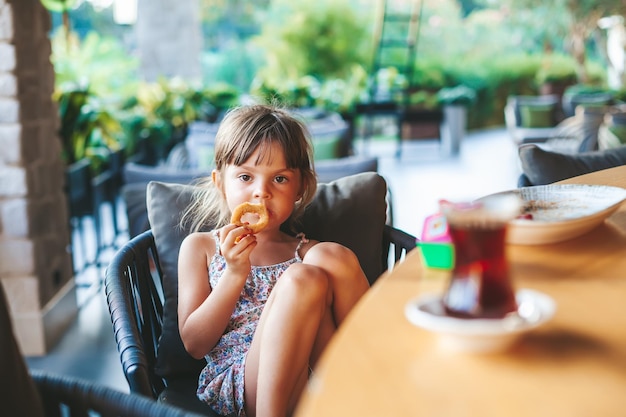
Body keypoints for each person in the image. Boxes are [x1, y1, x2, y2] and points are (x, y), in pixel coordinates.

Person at [177, 104, 370, 417]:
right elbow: (194, 344)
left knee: (329, 258)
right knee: (301, 279)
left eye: (279, 179)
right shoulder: (201, 248)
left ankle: (369, 387)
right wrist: (234, 274)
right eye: (245, 176)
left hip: (317, 378)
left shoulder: (311, 255)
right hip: (245, 381)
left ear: (300, 187)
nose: (261, 193)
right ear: (219, 182)